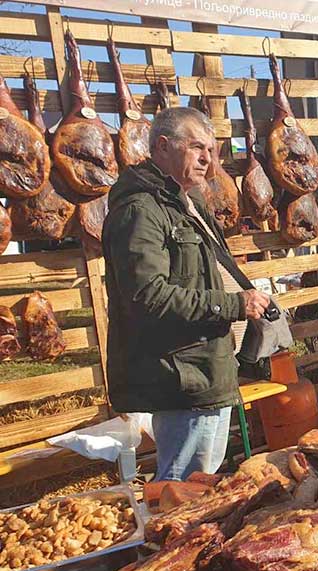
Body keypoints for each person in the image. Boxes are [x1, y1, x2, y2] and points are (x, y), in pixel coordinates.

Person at [102, 107, 272, 481]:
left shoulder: (186, 203)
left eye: (211, 151)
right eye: (197, 148)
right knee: (182, 489)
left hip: (206, 370)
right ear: (163, 147)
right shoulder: (141, 210)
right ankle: (162, 540)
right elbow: (148, 295)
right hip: (181, 378)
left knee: (198, 483)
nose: (207, 160)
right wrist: (233, 304)